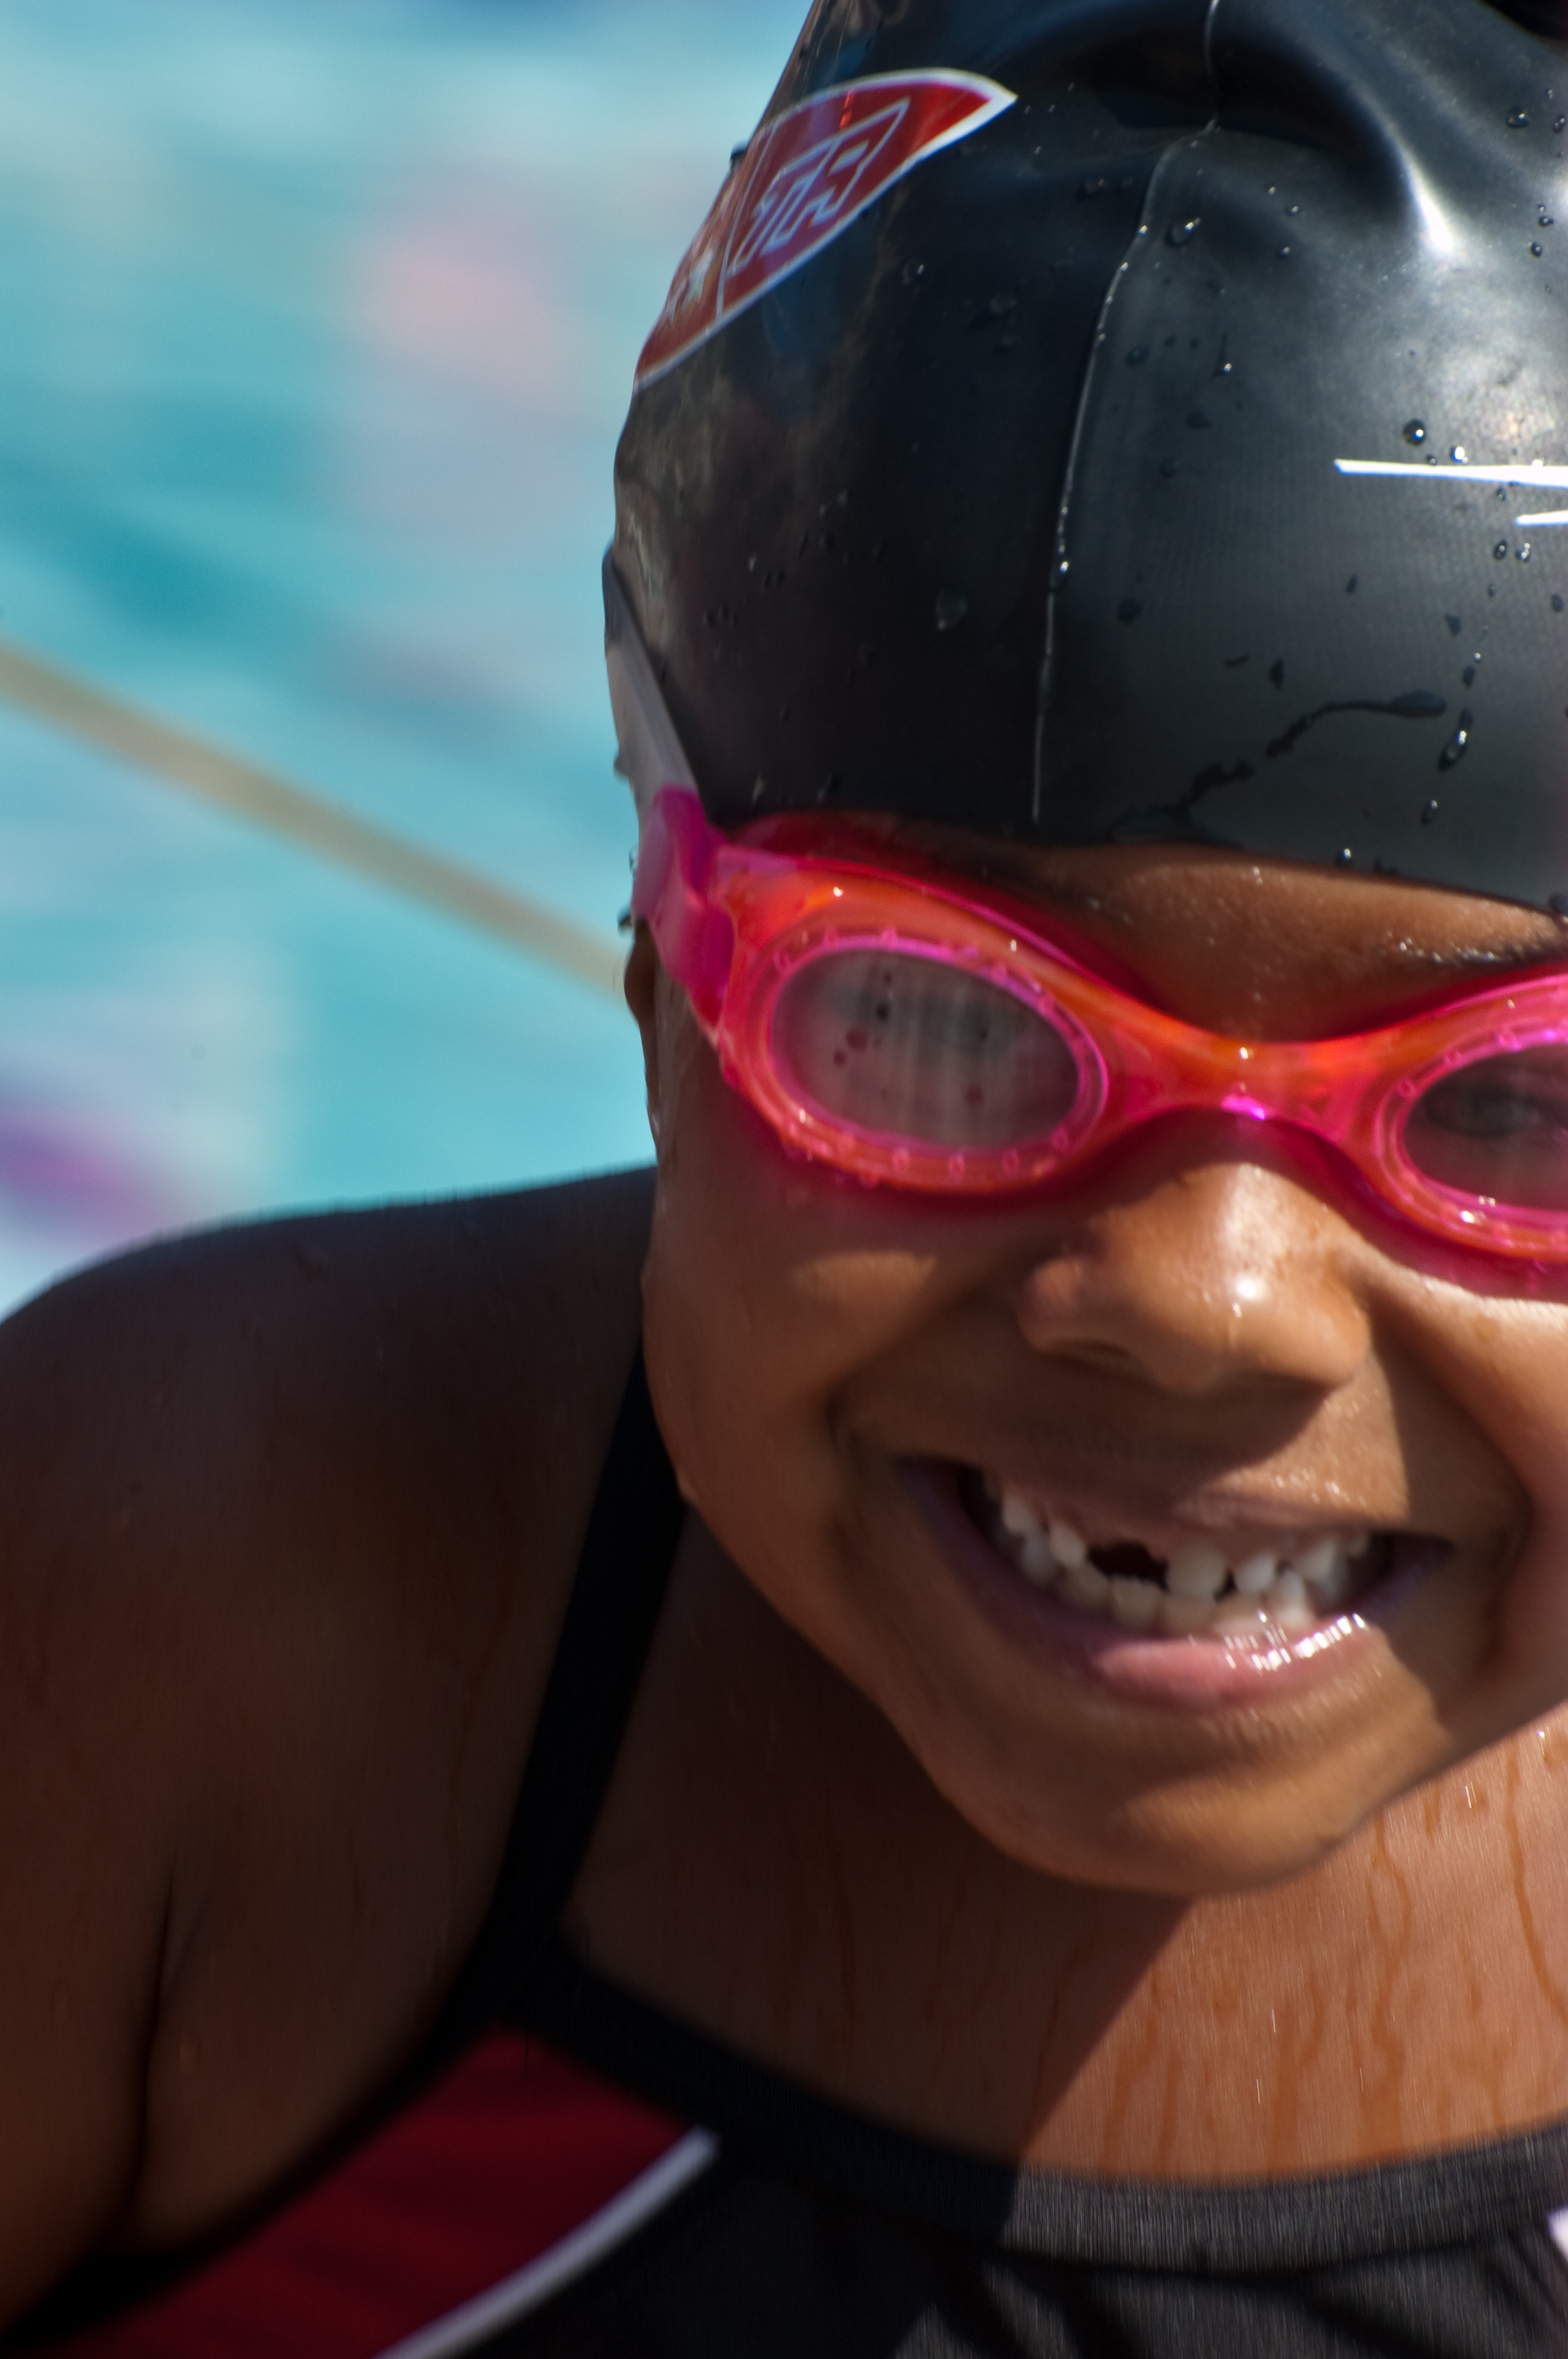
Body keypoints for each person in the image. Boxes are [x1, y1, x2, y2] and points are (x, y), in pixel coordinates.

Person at [6, 0, 1568, 2350]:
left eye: (1513, 1109)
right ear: (659, 955)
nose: (1206, 1297)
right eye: (941, 1022)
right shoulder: (227, 1610)